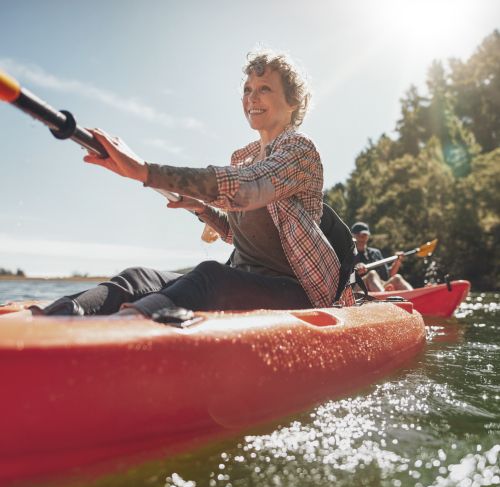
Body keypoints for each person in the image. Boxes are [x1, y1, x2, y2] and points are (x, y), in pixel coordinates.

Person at [32, 51, 355, 319]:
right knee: (138, 276)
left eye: (264, 89)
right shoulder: (243, 158)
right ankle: (56, 319)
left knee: (210, 275)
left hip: (295, 291)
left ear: (293, 102)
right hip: (242, 278)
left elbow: (247, 189)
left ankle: (126, 327)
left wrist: (144, 171)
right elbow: (241, 234)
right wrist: (205, 211)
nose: (251, 98)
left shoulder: (299, 150)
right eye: (247, 89)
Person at [351, 222, 413, 292]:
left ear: (368, 236)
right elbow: (343, 280)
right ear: (353, 236)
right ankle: (384, 298)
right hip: (357, 290)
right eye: (359, 235)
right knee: (372, 274)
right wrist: (356, 272)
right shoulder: (348, 255)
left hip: (379, 288)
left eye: (364, 235)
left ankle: (416, 296)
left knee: (397, 278)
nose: (362, 238)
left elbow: (389, 275)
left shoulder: (375, 253)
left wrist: (397, 262)